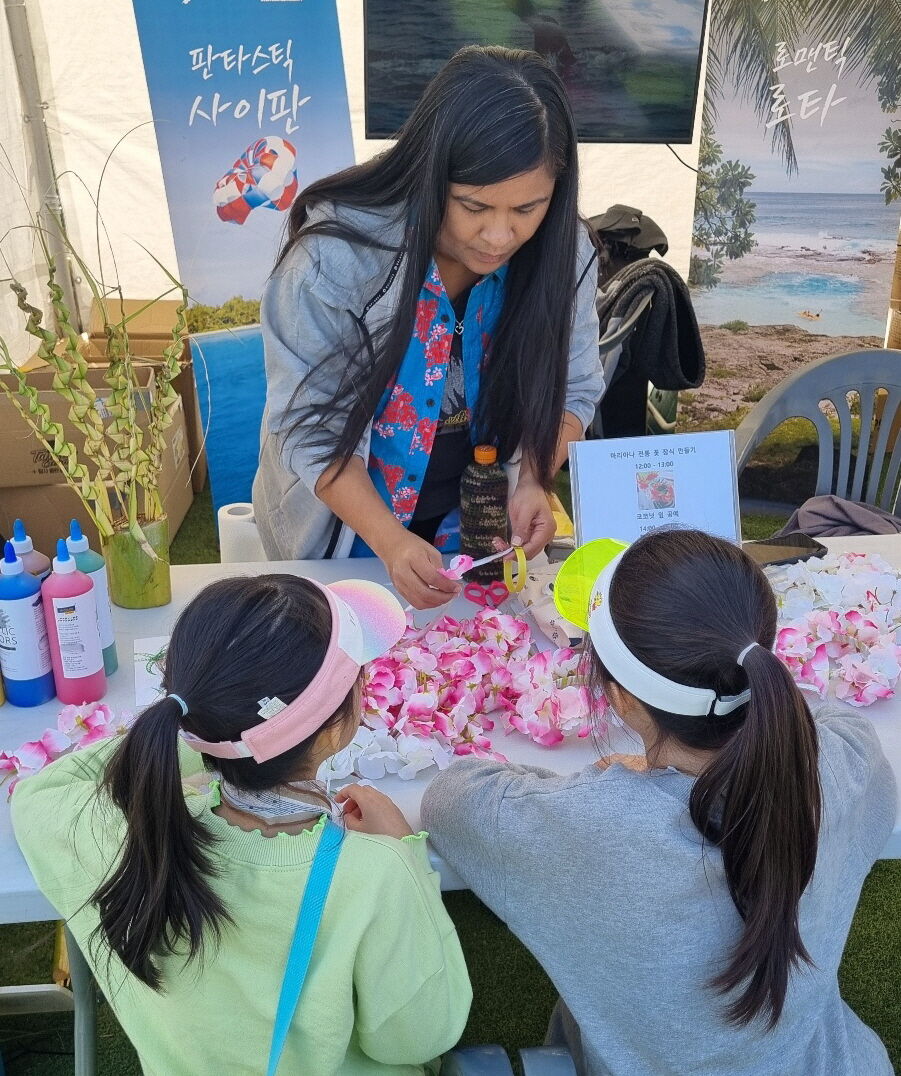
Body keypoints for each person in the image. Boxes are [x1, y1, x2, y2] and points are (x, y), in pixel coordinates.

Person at [422, 529, 897, 1075]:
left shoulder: (591, 827)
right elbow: (833, 726)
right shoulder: (845, 765)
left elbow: (451, 798)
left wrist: (635, 775)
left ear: (622, 698)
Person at [12, 574, 471, 1075]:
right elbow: (418, 1038)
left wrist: (201, 737)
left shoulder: (126, 841)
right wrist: (404, 851)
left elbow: (40, 794)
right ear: (337, 723)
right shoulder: (377, 875)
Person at [253, 44, 603, 610]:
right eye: (473, 205)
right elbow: (307, 428)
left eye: (527, 209)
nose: (499, 236)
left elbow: (577, 386)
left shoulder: (567, 253)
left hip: (479, 531)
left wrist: (535, 477)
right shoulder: (336, 257)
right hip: (345, 536)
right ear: (430, 171)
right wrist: (391, 543)